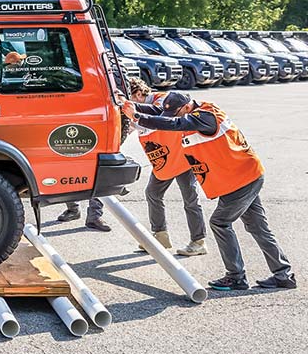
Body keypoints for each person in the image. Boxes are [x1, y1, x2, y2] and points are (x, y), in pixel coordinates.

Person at [122, 92, 296, 292]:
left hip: (240, 180)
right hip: (244, 176)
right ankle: (283, 275)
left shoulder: (205, 116)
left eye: (177, 114)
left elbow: (177, 124)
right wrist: (133, 107)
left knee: (220, 222)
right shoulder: (196, 109)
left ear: (187, 107)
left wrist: (137, 118)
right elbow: (162, 113)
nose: (175, 118)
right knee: (257, 226)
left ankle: (236, 277)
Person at [128, 78, 206, 256]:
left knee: (190, 198)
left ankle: (198, 241)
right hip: (164, 157)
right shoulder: (155, 104)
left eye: (133, 98)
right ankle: (161, 235)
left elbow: (160, 124)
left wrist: (135, 120)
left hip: (181, 156)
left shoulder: (164, 99)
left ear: (139, 94)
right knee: (153, 193)